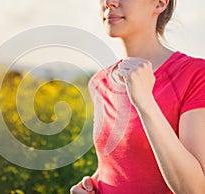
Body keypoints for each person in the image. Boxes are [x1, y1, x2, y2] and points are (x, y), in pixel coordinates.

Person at [70, 0, 205, 193]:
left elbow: (195, 189)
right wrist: (91, 185)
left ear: (160, 3)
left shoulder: (195, 75)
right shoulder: (99, 83)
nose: (109, 2)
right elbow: (121, 165)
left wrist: (145, 103)